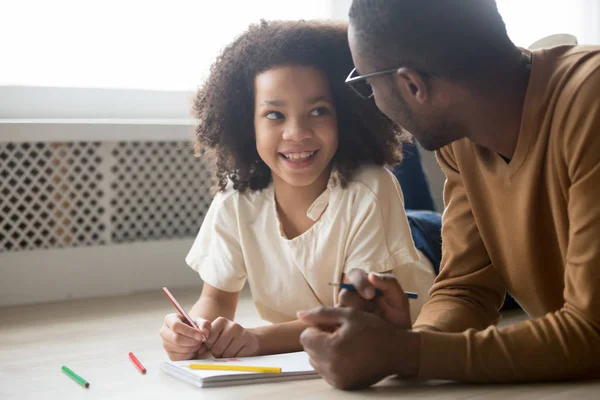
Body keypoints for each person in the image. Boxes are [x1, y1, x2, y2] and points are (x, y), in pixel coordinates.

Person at [298, 0, 600, 389]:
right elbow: (465, 289)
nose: (375, 100)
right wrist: (401, 343)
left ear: (412, 85)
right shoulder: (462, 136)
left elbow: (592, 333)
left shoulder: (590, 104)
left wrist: (403, 353)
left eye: (367, 84)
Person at [159, 20, 440, 361]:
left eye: (318, 111)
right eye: (275, 114)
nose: (297, 132)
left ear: (344, 115)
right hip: (382, 226)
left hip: (432, 251)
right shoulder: (235, 199)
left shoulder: (371, 189)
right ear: (247, 123)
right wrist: (195, 330)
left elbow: (357, 317)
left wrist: (257, 340)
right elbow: (216, 299)